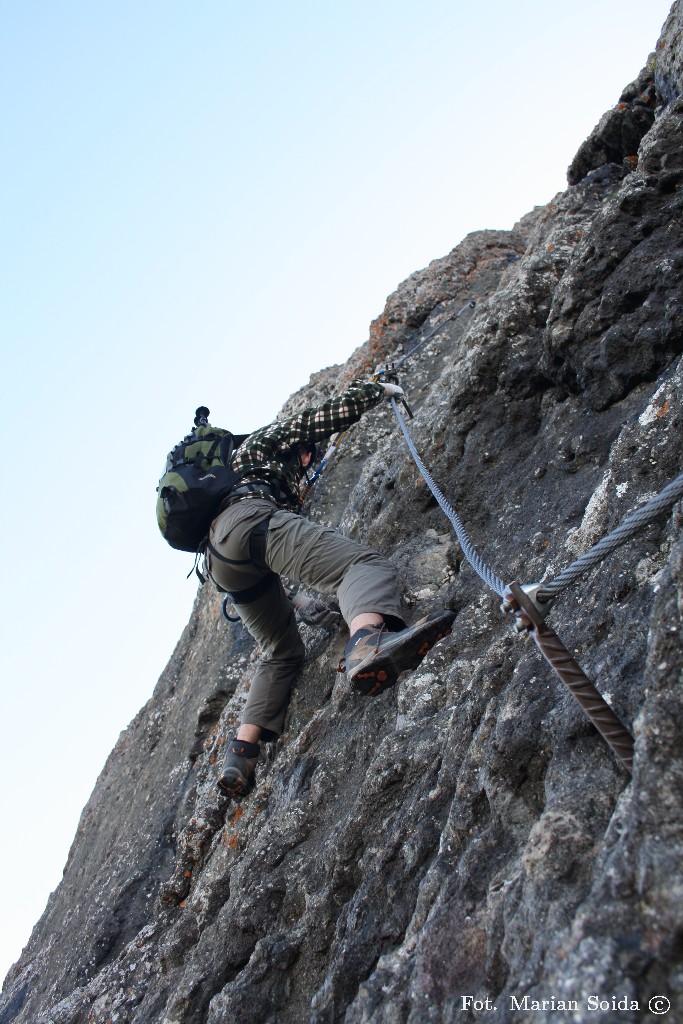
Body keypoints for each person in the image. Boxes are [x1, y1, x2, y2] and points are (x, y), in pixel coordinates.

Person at [204, 378, 455, 796]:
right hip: (250, 525)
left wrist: (295, 597)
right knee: (362, 565)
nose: (305, 463)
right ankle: (367, 646)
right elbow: (313, 421)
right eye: (304, 457)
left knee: (281, 651)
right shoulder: (258, 447)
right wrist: (375, 392)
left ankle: (240, 755)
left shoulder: (224, 487)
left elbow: (258, 555)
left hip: (222, 563)